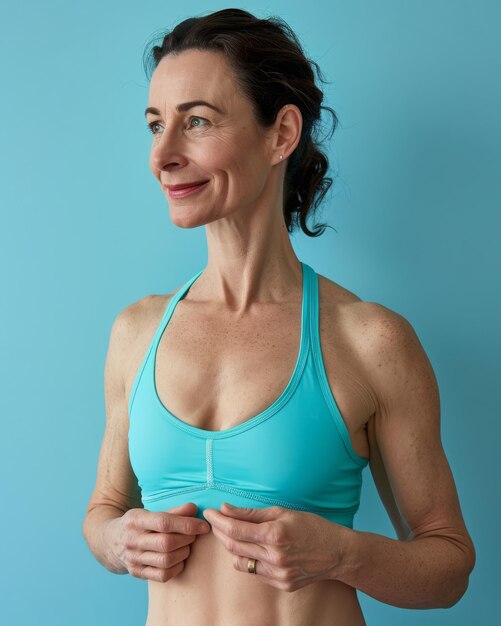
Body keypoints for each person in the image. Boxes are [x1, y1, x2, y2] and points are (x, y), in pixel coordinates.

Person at [82, 8, 476, 625]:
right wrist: (117, 542)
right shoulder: (136, 333)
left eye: (198, 122)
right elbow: (104, 510)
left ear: (281, 134)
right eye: (156, 125)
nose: (163, 155)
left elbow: (449, 565)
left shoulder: (369, 340)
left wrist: (343, 553)